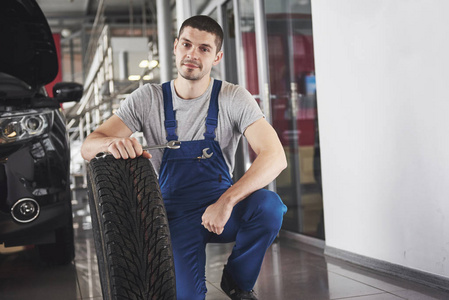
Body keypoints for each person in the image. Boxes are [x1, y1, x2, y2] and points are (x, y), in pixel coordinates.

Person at [81, 15, 287, 300]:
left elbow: (275, 156)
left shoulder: (233, 98)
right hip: (172, 216)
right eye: (187, 44)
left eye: (204, 48)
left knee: (269, 207)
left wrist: (226, 202)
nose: (192, 54)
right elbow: (88, 146)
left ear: (217, 57)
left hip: (220, 208)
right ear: (176, 46)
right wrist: (112, 142)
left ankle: (238, 283)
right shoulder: (147, 98)